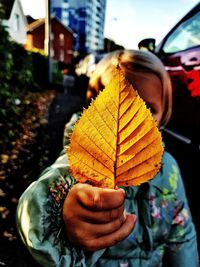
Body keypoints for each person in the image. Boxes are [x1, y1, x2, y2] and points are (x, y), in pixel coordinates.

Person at [16, 50, 199, 267]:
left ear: (164, 115)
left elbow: (183, 233)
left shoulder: (169, 168)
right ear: (93, 109)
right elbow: (37, 204)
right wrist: (61, 217)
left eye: (148, 108)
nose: (134, 119)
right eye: (118, 105)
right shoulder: (85, 156)